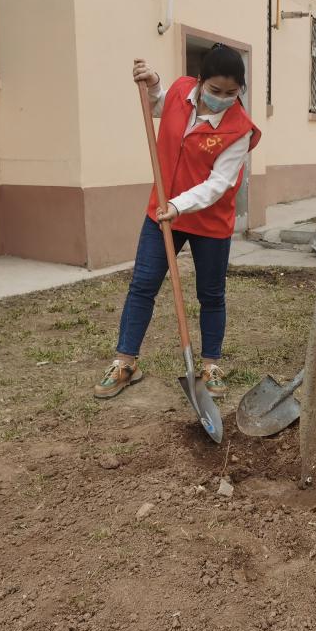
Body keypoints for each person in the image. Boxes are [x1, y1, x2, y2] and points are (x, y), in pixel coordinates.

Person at [94, 44, 261, 399]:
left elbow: (219, 183)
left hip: (209, 221)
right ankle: (126, 362)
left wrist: (179, 205)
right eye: (215, 90)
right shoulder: (181, 92)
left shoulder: (240, 129)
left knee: (211, 294)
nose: (222, 99)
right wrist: (154, 83)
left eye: (231, 93)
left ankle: (211, 364)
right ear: (200, 81)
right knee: (143, 285)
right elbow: (158, 105)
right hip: (161, 212)